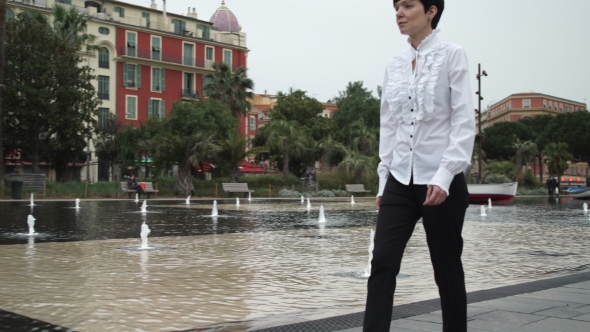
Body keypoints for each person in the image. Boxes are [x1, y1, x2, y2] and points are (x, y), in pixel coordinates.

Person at [363, 1, 475, 331]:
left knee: (446, 268)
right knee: (381, 261)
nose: (399, 13)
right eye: (396, 7)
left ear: (431, 11)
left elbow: (464, 121)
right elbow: (390, 125)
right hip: (399, 178)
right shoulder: (394, 64)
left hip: (441, 179)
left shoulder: (452, 55)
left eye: (407, 5)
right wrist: (384, 182)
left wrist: (445, 175)